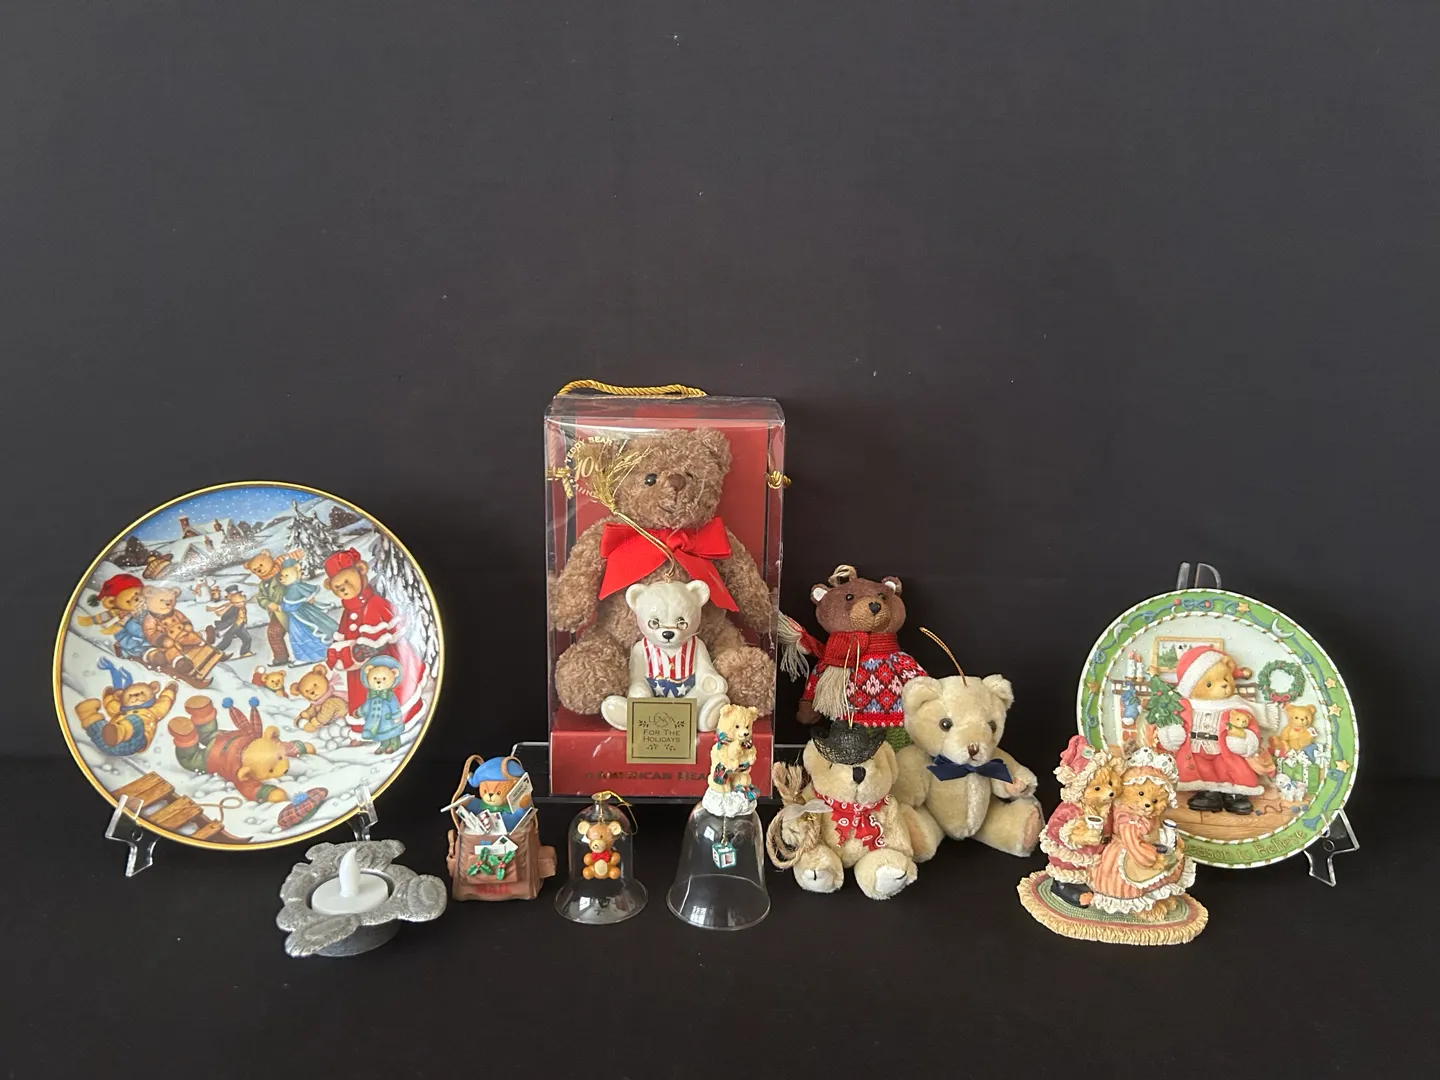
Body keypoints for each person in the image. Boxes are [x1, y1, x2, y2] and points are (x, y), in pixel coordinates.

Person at [207, 584, 253, 658]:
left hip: (239, 625)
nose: (240, 598)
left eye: (238, 594)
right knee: (226, 642)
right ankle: (213, 654)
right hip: (232, 626)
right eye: (236, 595)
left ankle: (244, 652)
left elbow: (243, 613)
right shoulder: (230, 606)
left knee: (247, 638)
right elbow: (221, 615)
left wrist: (244, 623)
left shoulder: (240, 603)